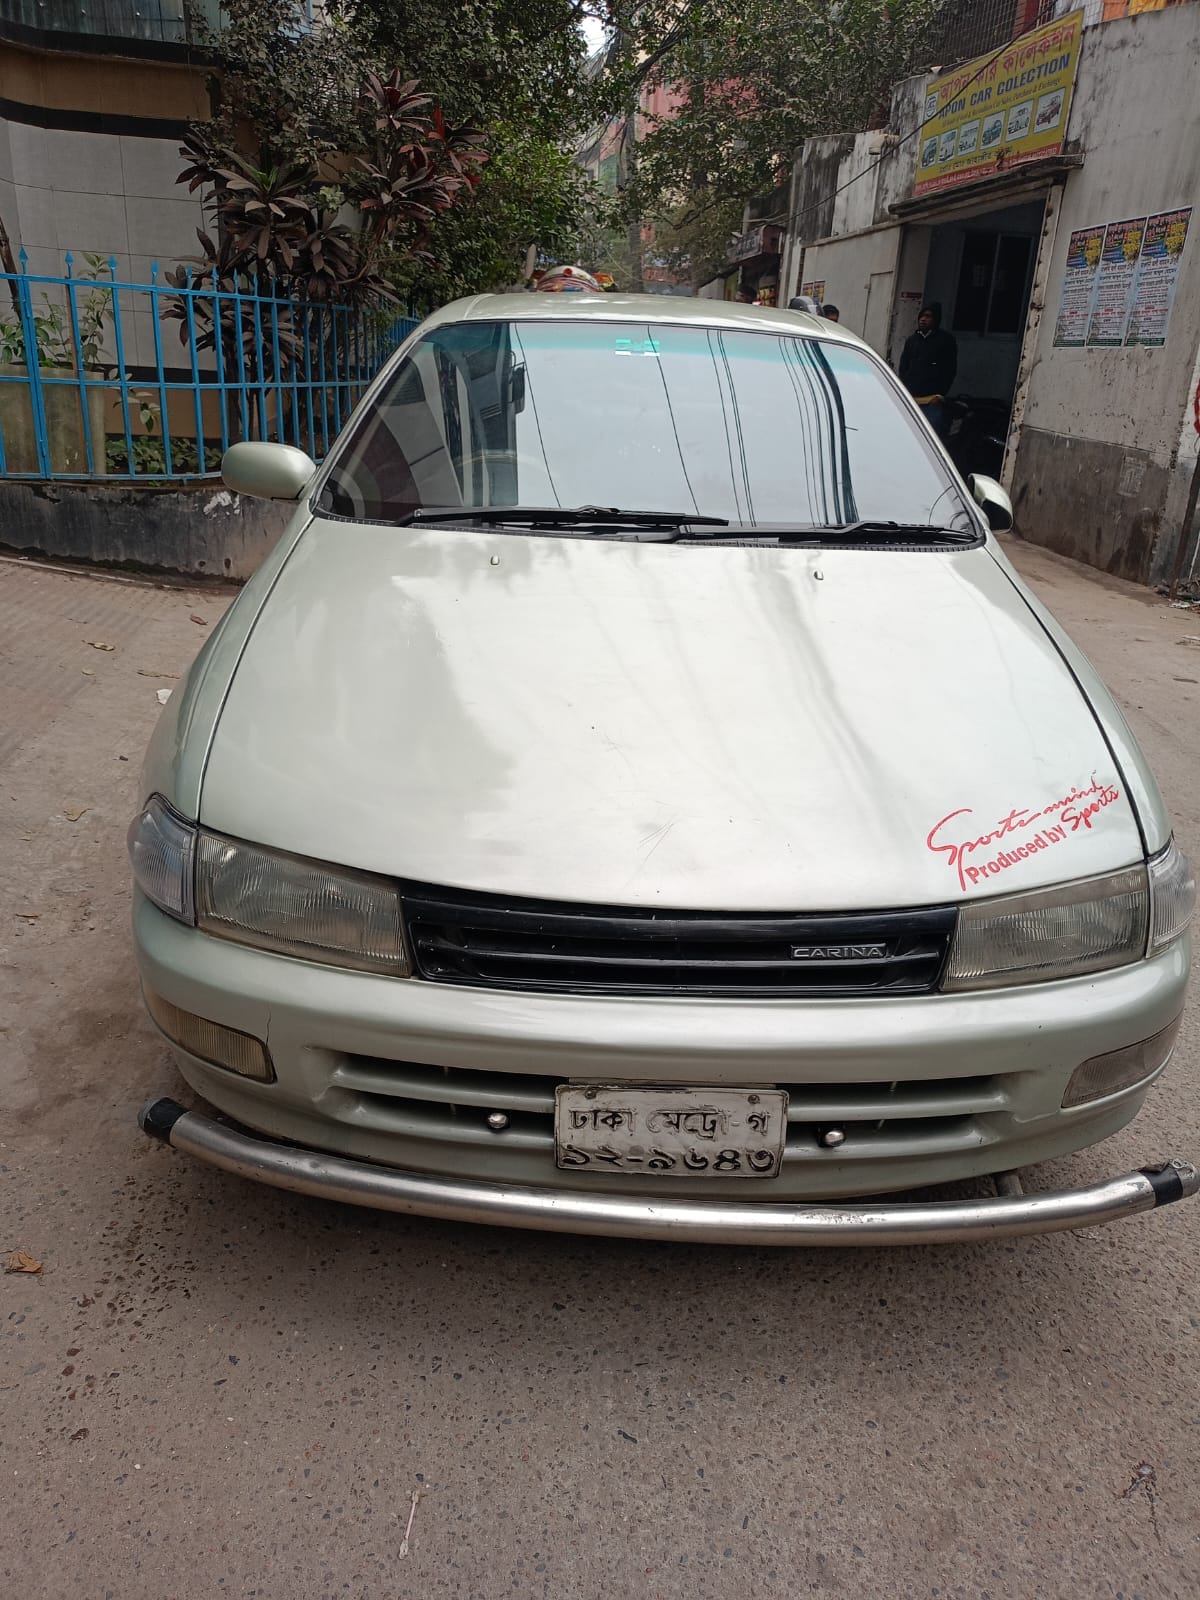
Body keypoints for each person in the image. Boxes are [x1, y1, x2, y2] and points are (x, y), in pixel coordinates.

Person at [898, 302, 957, 437]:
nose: (923, 319)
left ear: (936, 319)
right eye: (922, 316)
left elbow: (949, 371)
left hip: (931, 401)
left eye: (928, 316)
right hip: (911, 399)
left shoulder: (946, 341)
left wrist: (940, 395)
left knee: (929, 437)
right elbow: (903, 365)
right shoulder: (912, 340)